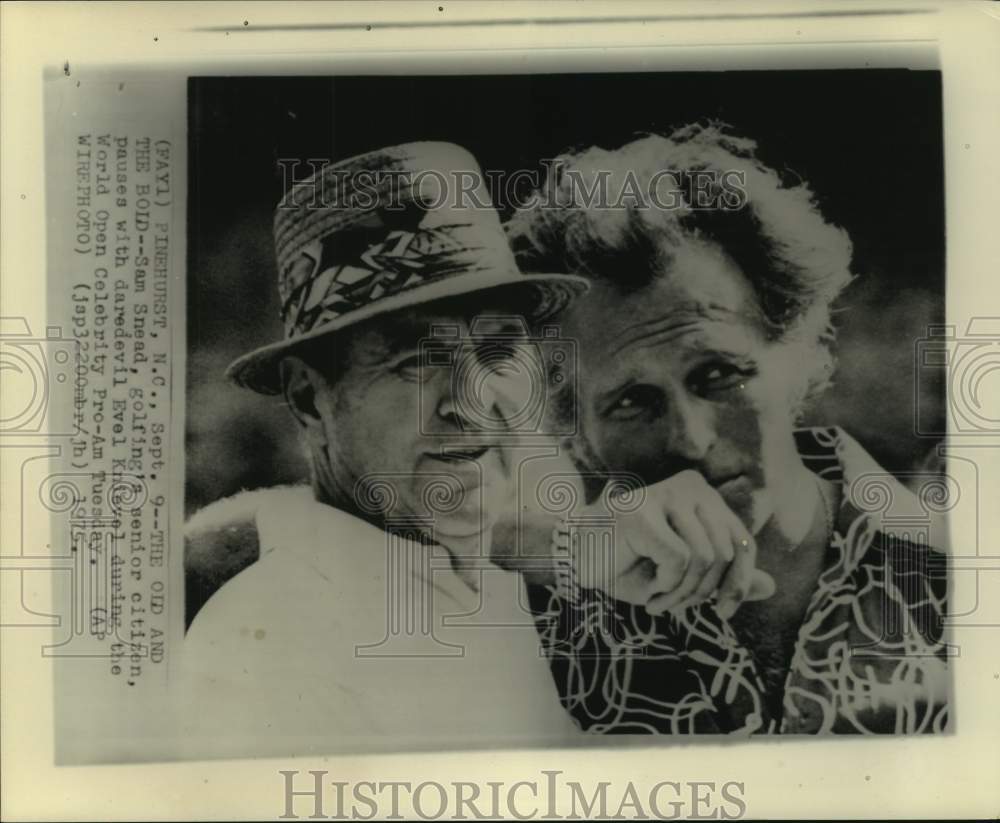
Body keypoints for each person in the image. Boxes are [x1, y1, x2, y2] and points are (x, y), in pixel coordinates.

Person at [505, 123, 950, 735]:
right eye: (632, 401)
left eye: (718, 375)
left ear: (795, 352)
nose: (690, 439)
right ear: (574, 429)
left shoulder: (962, 567)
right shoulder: (533, 618)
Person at [177, 142, 599, 754]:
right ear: (308, 399)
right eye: (415, 361)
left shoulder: (490, 584)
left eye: (499, 348)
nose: (472, 399)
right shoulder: (271, 644)